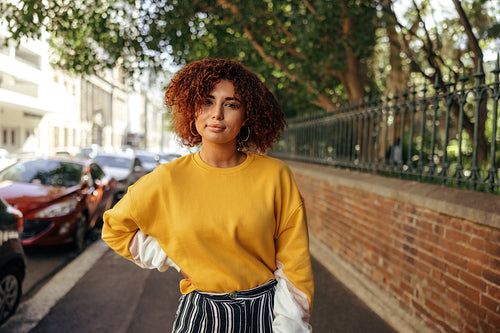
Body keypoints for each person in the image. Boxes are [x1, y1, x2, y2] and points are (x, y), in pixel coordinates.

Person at [102, 58, 314, 332]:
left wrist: (289, 328)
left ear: (246, 114)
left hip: (266, 313)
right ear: (192, 110)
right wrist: (172, 258)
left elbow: (295, 266)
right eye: (207, 102)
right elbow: (115, 228)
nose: (217, 114)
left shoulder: (275, 176)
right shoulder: (167, 179)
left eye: (231, 104)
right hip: (200, 313)